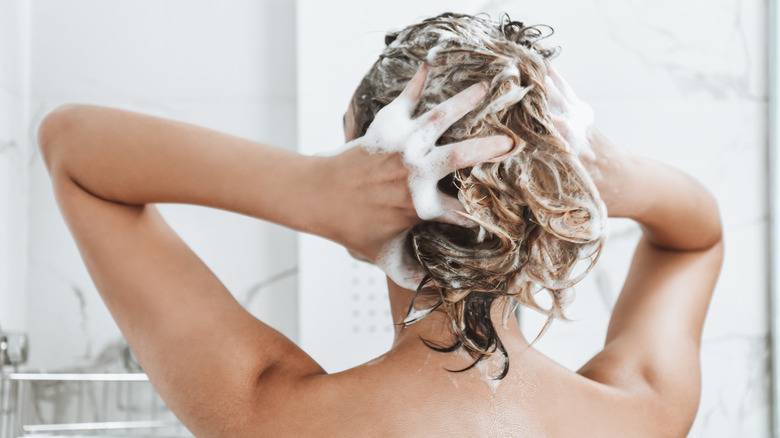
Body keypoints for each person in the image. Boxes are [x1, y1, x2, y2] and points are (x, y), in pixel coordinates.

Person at [38, 12, 722, 438]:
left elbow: (74, 148)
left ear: (357, 172)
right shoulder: (642, 414)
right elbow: (696, 239)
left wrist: (305, 189)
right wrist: (611, 177)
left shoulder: (267, 415)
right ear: (545, 205)